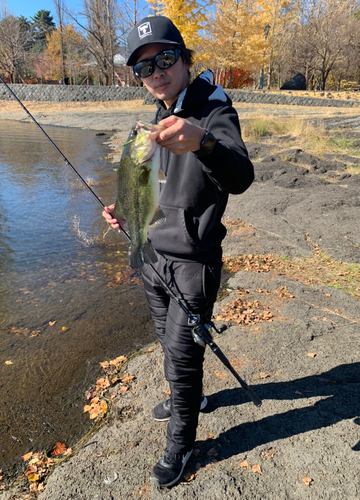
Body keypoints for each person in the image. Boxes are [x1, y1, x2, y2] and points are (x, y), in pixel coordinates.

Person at [102, 15, 254, 488]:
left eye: (165, 59)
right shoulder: (158, 114)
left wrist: (203, 143)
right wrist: (125, 209)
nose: (157, 73)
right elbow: (154, 184)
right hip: (152, 254)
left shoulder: (213, 110)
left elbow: (241, 178)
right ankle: (187, 394)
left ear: (185, 59)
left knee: (183, 355)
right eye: (144, 69)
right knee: (169, 341)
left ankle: (182, 441)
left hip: (192, 262)